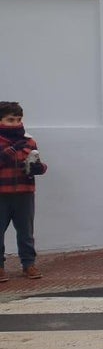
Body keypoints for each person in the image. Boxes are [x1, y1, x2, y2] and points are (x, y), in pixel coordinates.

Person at [0, 101, 47, 281]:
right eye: (10, 120)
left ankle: (29, 264)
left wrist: (39, 168)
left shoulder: (29, 140)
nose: (15, 123)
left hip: (24, 192)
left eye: (18, 119)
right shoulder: (16, 143)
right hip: (2, 193)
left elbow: (37, 162)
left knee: (26, 232)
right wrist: (14, 149)